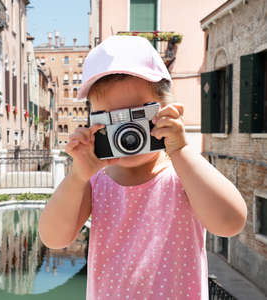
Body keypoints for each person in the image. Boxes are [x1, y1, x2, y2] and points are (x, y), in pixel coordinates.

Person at [38, 36, 247, 299]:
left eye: (137, 114)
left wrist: (180, 150)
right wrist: (76, 176)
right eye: (111, 119)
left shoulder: (185, 176)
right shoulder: (95, 183)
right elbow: (53, 238)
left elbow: (231, 222)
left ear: (167, 110)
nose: (126, 132)